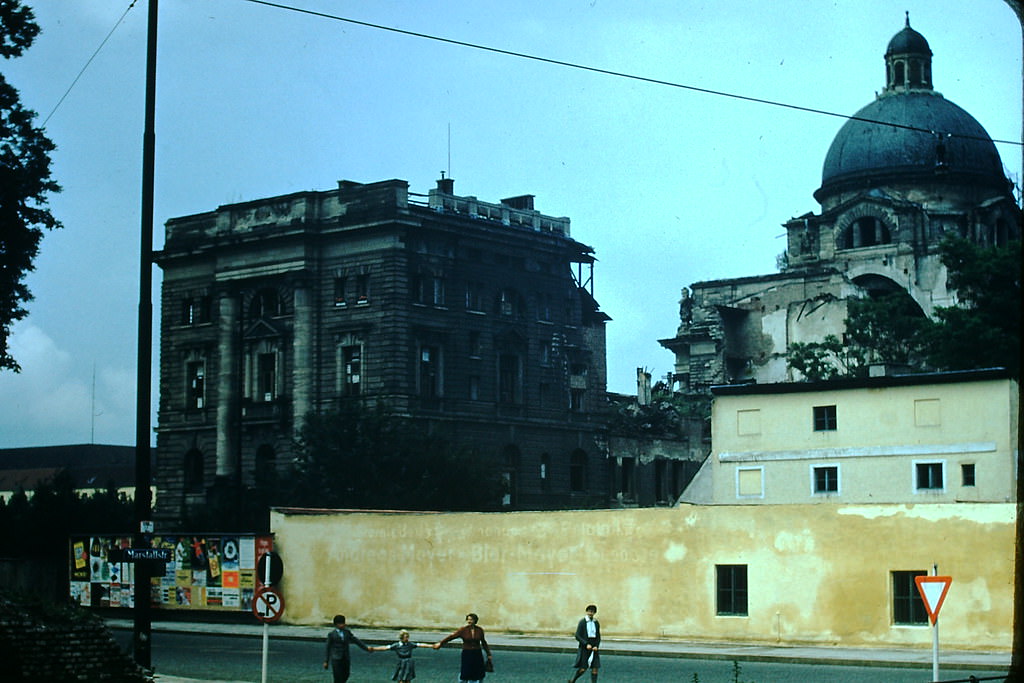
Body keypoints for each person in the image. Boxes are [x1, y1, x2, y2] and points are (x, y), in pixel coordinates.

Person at [433, 612, 493, 682]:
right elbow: (451, 637)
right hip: (467, 653)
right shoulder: (463, 630)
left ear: (475, 621)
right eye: (468, 620)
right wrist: (441, 643)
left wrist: (488, 654)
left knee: (477, 671)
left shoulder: (479, 630)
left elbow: (483, 642)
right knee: (466, 670)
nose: (469, 621)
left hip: (477, 653)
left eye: (471, 620)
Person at [323, 614, 370, 683]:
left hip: (345, 657)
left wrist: (366, 648)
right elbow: (327, 648)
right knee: (337, 676)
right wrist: (326, 661)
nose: (343, 625)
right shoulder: (331, 634)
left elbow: (356, 640)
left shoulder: (347, 632)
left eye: (343, 623)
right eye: (341, 623)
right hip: (336, 658)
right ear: (336, 624)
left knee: (346, 674)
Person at [569, 604, 600, 683]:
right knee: (583, 668)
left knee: (595, 668)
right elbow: (577, 635)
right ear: (587, 612)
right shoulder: (582, 622)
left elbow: (598, 636)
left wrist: (596, 645)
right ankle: (573, 680)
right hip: (585, 647)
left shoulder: (596, 623)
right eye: (589, 611)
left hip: (594, 647)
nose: (590, 613)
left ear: (594, 613)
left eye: (592, 612)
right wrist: (586, 644)